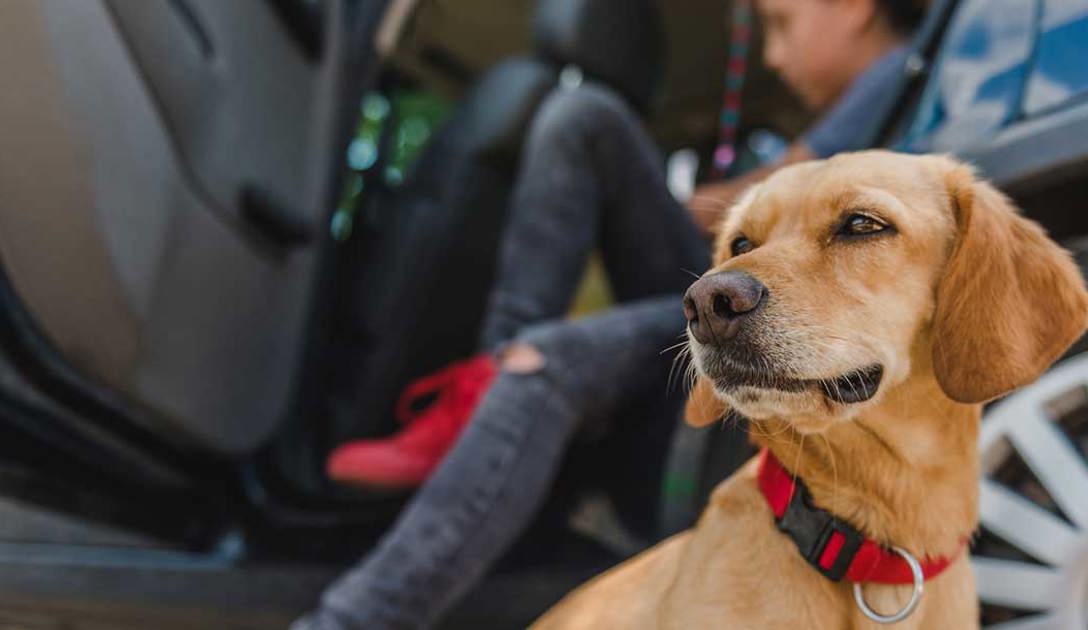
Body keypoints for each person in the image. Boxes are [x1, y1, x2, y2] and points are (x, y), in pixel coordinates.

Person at [295, 0, 926, 628]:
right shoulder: (872, 106)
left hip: (786, 323)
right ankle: (490, 378)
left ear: (854, 7)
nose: (772, 55)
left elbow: (761, 203)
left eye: (782, 24)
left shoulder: (899, 74)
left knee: (551, 355)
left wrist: (680, 203)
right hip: (743, 302)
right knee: (583, 117)